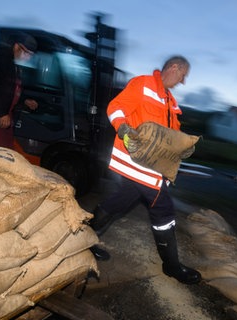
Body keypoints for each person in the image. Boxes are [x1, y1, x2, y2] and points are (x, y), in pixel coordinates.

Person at [89, 55, 202, 285]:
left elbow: (172, 138)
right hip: (138, 163)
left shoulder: (170, 103)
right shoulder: (143, 84)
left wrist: (182, 149)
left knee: (119, 202)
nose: (183, 82)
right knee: (164, 210)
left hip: (152, 167)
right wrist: (124, 129)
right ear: (174, 67)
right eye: (183, 75)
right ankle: (171, 266)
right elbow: (115, 108)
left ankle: (85, 240)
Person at [0, 32, 39, 149]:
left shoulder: (13, 63)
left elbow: (11, 90)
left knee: (6, 150)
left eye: (31, 55)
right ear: (16, 47)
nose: (28, 58)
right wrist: (1, 113)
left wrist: (25, 101)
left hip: (5, 119)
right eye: (26, 53)